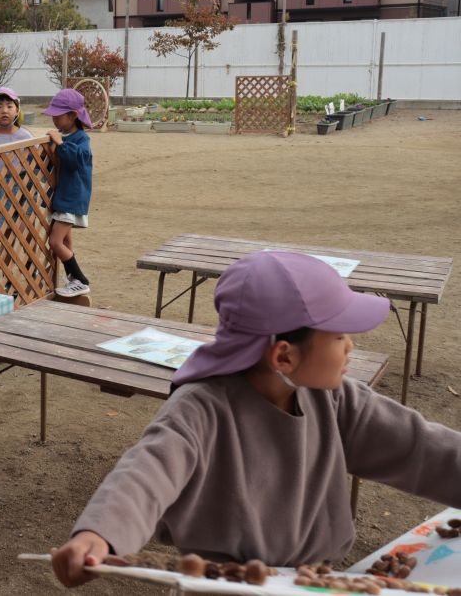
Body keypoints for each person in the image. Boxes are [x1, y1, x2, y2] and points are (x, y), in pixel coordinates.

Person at [50, 251, 461, 587]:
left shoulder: (336, 400)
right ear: (284, 355)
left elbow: (420, 447)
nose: (351, 346)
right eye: (338, 336)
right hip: (225, 585)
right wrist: (98, 535)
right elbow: (146, 473)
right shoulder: (201, 409)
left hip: (314, 580)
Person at [42, 88, 93, 298]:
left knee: (55, 242)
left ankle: (81, 280)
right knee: (65, 242)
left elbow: (76, 159)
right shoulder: (68, 136)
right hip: (65, 197)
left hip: (72, 198)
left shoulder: (81, 139)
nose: (54, 118)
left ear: (72, 115)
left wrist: (60, 144)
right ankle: (73, 280)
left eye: (58, 114)